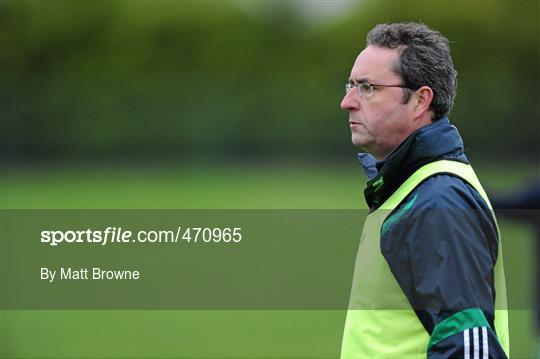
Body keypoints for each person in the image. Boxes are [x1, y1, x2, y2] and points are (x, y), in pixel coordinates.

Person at [339, 23, 510, 358]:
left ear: (420, 100)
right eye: (350, 85)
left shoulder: (436, 201)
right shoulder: (409, 190)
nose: (348, 102)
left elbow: (469, 351)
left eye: (368, 88)